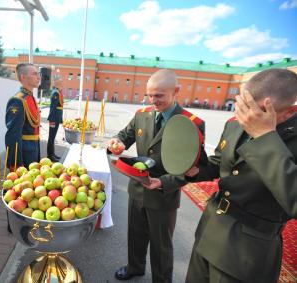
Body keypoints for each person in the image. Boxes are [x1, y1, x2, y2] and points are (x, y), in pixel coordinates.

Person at [185, 68, 297, 283]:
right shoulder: (236, 122)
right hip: (209, 229)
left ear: (290, 112)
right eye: (244, 105)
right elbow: (220, 163)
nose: (247, 116)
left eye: (259, 110)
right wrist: (196, 170)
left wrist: (265, 137)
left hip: (247, 251)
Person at [107, 69, 205, 283]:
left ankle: (161, 279)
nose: (153, 100)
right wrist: (117, 142)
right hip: (138, 187)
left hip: (163, 193)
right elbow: (125, 135)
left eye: (159, 95)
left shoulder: (191, 123)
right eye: (149, 95)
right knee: (135, 234)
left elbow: (194, 167)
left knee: (161, 244)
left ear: (176, 91)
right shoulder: (142, 114)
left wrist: (163, 182)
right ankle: (135, 267)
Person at [5, 63, 41, 170]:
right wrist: (16, 163)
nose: (38, 77)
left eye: (38, 74)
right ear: (23, 77)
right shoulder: (18, 101)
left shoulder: (30, 97)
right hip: (24, 154)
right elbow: (13, 134)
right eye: (34, 74)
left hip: (34, 149)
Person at [47, 79, 64, 162]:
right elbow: (53, 107)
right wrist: (52, 119)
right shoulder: (55, 93)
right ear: (57, 84)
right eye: (61, 83)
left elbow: (59, 106)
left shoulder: (58, 92)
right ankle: (50, 155)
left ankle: (52, 154)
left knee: (53, 137)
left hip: (56, 118)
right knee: (51, 137)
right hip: (54, 118)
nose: (62, 85)